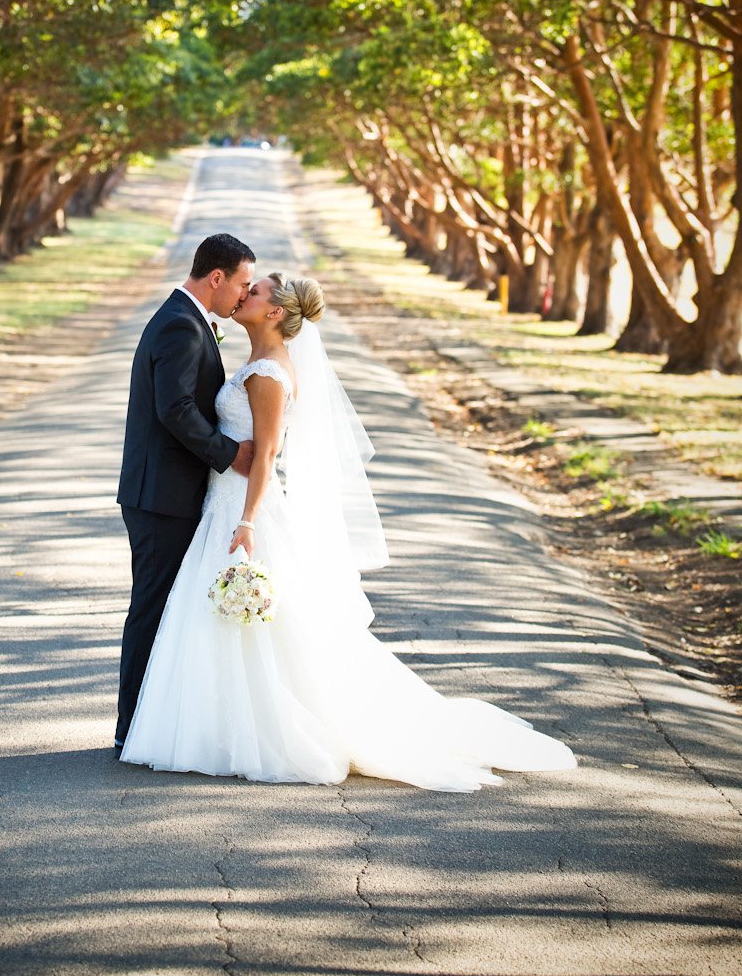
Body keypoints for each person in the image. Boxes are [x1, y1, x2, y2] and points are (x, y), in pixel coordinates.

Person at [117, 271, 578, 791]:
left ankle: (243, 727)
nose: (245, 294)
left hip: (240, 513)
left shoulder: (267, 371)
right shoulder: (256, 362)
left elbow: (266, 455)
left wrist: (247, 522)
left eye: (257, 291)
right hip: (219, 504)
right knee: (226, 622)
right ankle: (210, 722)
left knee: (255, 623)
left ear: (273, 313)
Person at [114, 233, 256, 754]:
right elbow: (174, 409)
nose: (243, 295)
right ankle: (131, 729)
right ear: (215, 278)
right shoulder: (180, 324)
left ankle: (153, 724)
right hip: (160, 498)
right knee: (151, 611)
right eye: (241, 283)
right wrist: (228, 453)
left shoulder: (188, 319)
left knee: (167, 611)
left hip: (170, 494)